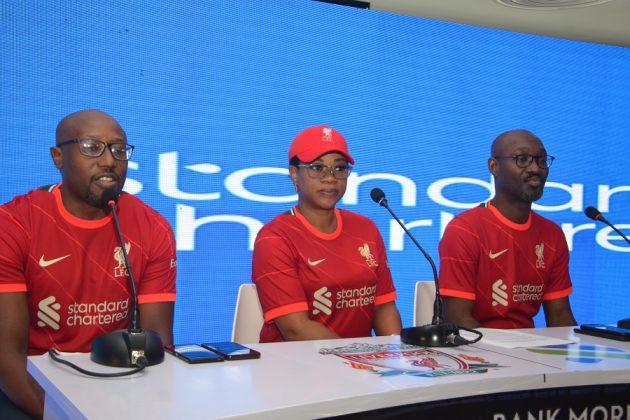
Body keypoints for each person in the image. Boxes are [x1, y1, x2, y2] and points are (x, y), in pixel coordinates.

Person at [0, 110, 177, 419]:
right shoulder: (15, 224)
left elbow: (154, 345)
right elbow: (7, 354)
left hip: (118, 382)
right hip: (34, 384)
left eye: (118, 149)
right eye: (91, 147)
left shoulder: (153, 227)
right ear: (58, 157)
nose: (109, 160)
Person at [252, 125, 402, 342]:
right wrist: (354, 357)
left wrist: (396, 353)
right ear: (294, 174)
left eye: (339, 168)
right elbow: (297, 329)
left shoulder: (366, 228)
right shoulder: (274, 238)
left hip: (360, 361)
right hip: (294, 361)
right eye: (317, 167)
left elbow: (383, 307)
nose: (330, 177)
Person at [438, 129, 577, 329]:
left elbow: (560, 317)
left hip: (529, 345)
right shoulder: (464, 229)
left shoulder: (552, 234)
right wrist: (508, 347)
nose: (535, 168)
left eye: (541, 160)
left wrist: (587, 346)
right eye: (522, 159)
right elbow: (457, 319)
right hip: (477, 346)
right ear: (494, 166)